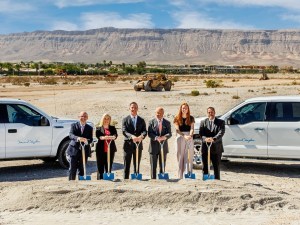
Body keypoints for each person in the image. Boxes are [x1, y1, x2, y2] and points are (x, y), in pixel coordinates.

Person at [122, 102, 147, 179]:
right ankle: (125, 179)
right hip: (128, 145)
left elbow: (144, 131)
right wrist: (131, 136)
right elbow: (124, 131)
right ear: (129, 108)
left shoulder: (141, 120)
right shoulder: (125, 119)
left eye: (135, 107)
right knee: (127, 164)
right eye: (132, 107)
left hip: (138, 145)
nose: (133, 109)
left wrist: (141, 137)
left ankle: (136, 178)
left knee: (137, 163)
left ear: (137, 109)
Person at [200, 107, 225, 180]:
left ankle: (217, 180)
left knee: (216, 166)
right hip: (205, 148)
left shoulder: (221, 122)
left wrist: (213, 139)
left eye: (212, 112)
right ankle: (205, 179)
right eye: (209, 112)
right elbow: (201, 133)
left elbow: (221, 132)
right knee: (205, 166)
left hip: (216, 148)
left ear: (214, 112)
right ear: (207, 113)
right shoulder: (203, 122)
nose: (210, 114)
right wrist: (206, 139)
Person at [66, 111, 93, 180]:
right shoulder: (74, 125)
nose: (83, 118)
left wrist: (86, 141)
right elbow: (71, 135)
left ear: (87, 118)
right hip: (74, 149)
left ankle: (81, 183)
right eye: (82, 116)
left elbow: (91, 139)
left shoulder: (90, 128)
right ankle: (71, 183)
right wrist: (78, 138)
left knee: (82, 168)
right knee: (72, 168)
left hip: (84, 151)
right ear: (79, 117)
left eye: (85, 116)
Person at [148, 107, 172, 179]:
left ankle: (162, 178)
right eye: (157, 113)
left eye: (159, 113)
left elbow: (169, 133)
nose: (158, 114)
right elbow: (149, 133)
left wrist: (164, 137)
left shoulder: (167, 123)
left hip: (163, 146)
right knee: (153, 165)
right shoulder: (151, 122)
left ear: (163, 114)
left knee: (162, 164)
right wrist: (156, 138)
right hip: (153, 147)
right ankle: (153, 179)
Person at [173, 103, 195, 179]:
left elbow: (192, 128)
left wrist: (191, 135)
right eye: (183, 108)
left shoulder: (191, 118)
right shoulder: (177, 118)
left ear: (188, 109)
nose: (184, 109)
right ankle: (180, 175)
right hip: (180, 137)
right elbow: (177, 130)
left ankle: (188, 173)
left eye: (186, 108)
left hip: (189, 137)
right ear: (181, 109)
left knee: (189, 156)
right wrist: (184, 135)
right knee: (180, 156)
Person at [95, 113, 118, 180]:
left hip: (110, 149)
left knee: (109, 164)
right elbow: (98, 135)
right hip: (101, 149)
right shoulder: (99, 127)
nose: (106, 120)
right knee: (100, 165)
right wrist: (102, 137)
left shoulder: (112, 127)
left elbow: (115, 135)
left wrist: (113, 137)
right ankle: (100, 178)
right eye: (105, 118)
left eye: (108, 118)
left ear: (110, 120)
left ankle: (108, 177)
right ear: (102, 119)